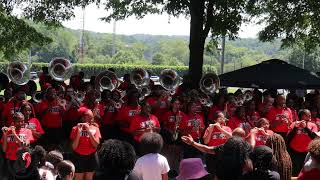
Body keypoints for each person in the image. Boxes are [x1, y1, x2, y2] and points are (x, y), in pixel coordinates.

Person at [70, 108, 101, 180]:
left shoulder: (96, 128)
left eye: (91, 117)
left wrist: (89, 132)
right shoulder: (75, 128)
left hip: (91, 157)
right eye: (88, 116)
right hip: (78, 157)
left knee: (89, 178)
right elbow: (74, 147)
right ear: (82, 118)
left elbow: (96, 145)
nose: (91, 119)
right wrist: (78, 133)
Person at [287, 109, 318, 176]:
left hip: (307, 152)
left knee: (307, 170)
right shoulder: (294, 124)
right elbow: (288, 138)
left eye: (309, 114)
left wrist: (306, 128)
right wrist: (295, 128)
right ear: (301, 116)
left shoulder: (313, 125)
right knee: (296, 171)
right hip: (295, 151)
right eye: (306, 115)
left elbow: (314, 137)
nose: (309, 116)